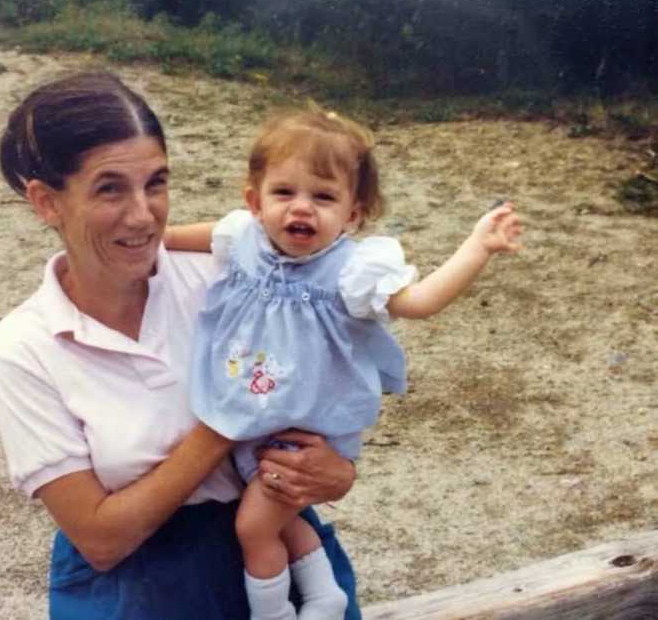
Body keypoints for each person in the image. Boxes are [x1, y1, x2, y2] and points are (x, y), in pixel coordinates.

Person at [0, 72, 362, 620]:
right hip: (134, 592)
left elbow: (314, 392)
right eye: (110, 188)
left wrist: (336, 473)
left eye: (156, 183)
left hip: (270, 561)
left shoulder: (223, 277)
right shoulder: (25, 348)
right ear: (46, 202)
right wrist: (226, 421)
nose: (143, 215)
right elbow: (101, 538)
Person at [163, 107, 523, 620]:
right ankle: (326, 596)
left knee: (254, 525)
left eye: (324, 197)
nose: (300, 209)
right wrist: (153, 237)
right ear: (255, 200)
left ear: (352, 214)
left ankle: (275, 614)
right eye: (284, 193)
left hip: (308, 425)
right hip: (251, 411)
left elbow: (418, 302)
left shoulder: (352, 270)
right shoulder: (243, 236)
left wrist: (477, 247)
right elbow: (189, 236)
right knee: (282, 516)